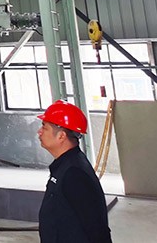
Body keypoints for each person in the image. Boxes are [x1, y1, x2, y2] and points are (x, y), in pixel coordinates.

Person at [37, 100, 112, 243]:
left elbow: (96, 227)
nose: (39, 132)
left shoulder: (74, 174)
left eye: (44, 127)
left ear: (61, 136)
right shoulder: (65, 165)